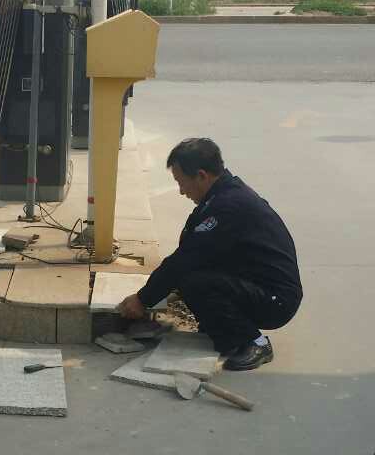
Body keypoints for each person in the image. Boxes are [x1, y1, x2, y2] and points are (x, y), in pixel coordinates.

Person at [119, 138, 302, 371]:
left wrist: (142, 299)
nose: (181, 191)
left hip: (276, 301)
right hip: (257, 284)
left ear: (201, 176)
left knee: (194, 282)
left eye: (181, 182)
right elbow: (190, 245)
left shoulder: (228, 206)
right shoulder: (221, 195)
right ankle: (222, 327)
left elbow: (185, 259)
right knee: (190, 277)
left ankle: (254, 341)